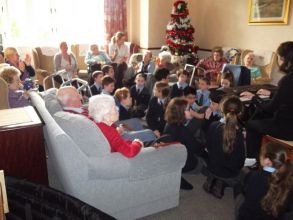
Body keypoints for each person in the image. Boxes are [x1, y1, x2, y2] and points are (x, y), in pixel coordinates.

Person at [241, 41, 293, 158]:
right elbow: (287, 98)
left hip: (287, 128)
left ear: (285, 59)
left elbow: (271, 108)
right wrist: (271, 94)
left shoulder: (287, 80)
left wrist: (254, 98)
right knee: (260, 114)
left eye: (279, 58)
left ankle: (253, 159)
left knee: (251, 124)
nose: (278, 61)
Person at [236, 142, 293, 220]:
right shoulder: (289, 181)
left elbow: (246, 192)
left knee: (238, 187)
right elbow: (288, 207)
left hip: (248, 217)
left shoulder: (254, 176)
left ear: (267, 161)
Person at [203, 95, 245, 199]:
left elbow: (207, 148)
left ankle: (213, 178)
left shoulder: (213, 125)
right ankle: (221, 182)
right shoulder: (239, 134)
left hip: (212, 166)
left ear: (222, 109)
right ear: (240, 113)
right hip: (229, 173)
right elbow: (240, 161)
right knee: (245, 175)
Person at [164, 98, 203, 190]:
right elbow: (197, 149)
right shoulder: (184, 131)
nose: (191, 112)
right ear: (181, 113)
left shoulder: (168, 124)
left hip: (173, 158)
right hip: (186, 164)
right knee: (203, 163)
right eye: (189, 109)